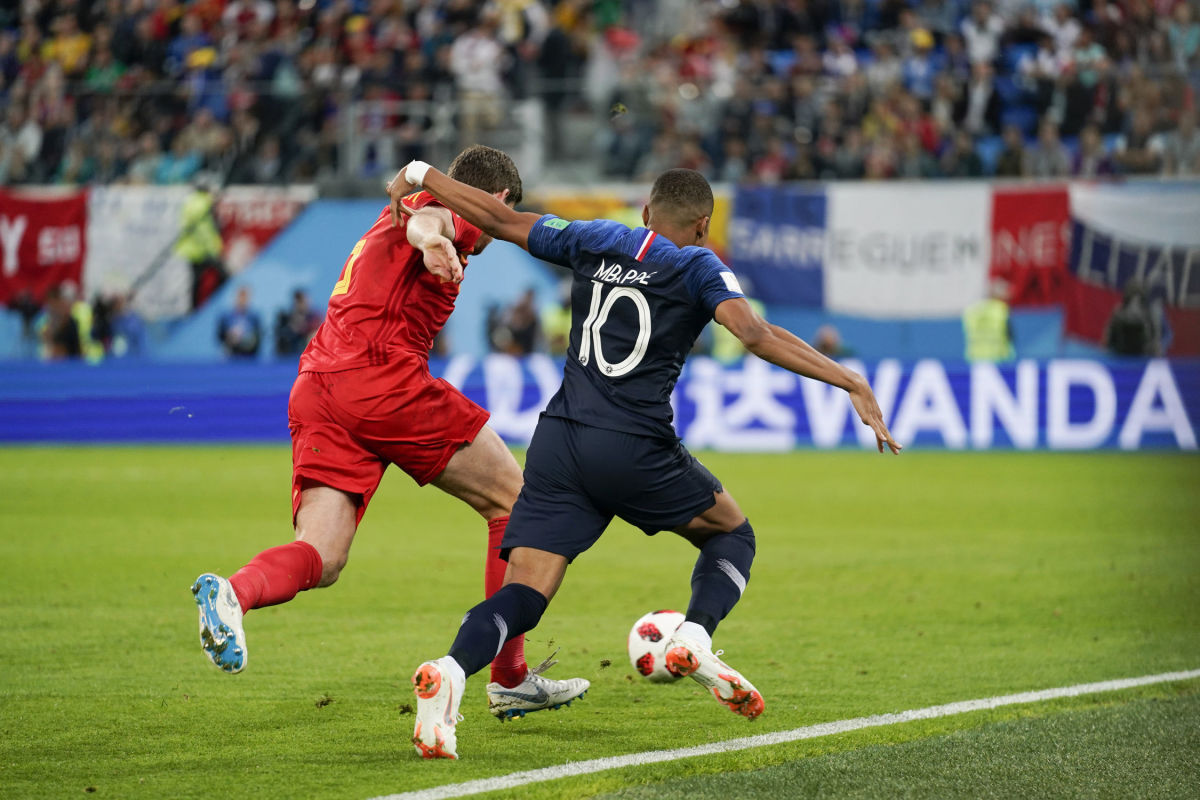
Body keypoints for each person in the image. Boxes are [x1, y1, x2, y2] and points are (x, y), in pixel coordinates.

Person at [388, 163, 901, 760]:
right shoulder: (698, 266)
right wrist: (848, 380)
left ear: (645, 214)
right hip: (633, 446)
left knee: (525, 592)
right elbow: (755, 335)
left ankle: (450, 670)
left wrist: (426, 175)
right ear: (704, 226)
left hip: (558, 443)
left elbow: (498, 219)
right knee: (733, 535)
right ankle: (695, 635)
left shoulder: (595, 238)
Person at [191, 146, 588, 724]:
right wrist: (431, 240)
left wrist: (427, 236)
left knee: (322, 557)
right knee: (515, 500)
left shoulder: (399, 208)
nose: (497, 233)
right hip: (381, 380)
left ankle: (235, 593)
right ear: (495, 199)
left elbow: (412, 204)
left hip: (319, 382)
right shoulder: (442, 211)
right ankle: (508, 677)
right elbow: (432, 218)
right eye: (501, 218)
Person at [962, 279, 1014, 362]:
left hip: (974, 359)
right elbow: (1010, 336)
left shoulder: (972, 312)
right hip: (998, 359)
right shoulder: (1002, 311)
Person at [217, 286, 263, 359]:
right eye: (240, 296)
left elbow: (259, 336)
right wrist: (229, 336)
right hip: (231, 354)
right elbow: (220, 336)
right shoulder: (226, 316)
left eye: (245, 297)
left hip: (249, 354)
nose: (242, 300)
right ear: (236, 297)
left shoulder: (254, 317)